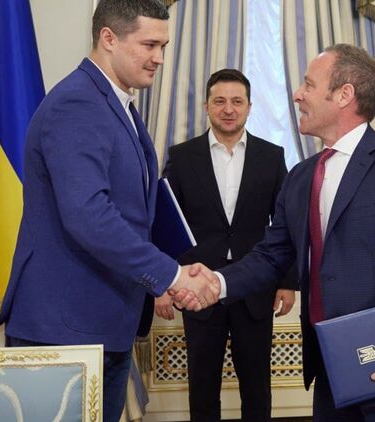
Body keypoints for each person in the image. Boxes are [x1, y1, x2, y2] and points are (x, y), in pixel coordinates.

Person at [183, 44, 375, 421]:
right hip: (330, 372)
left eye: (308, 85)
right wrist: (216, 283)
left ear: (344, 95)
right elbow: (271, 256)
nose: (297, 94)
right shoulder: (302, 176)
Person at [0, 1, 217, 421]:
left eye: (164, 46)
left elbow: (132, 210)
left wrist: (166, 271)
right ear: (108, 38)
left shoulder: (116, 104)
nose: (159, 58)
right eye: (149, 45)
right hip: (63, 329)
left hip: (101, 323)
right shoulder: (77, 103)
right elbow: (88, 214)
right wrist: (170, 274)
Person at [156, 69, 297, 422]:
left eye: (237, 101)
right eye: (219, 101)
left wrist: (287, 281)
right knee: (203, 387)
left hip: (255, 287)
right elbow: (167, 224)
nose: (228, 109)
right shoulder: (182, 156)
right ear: (206, 106)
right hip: (197, 287)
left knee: (257, 385)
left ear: (249, 106)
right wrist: (161, 284)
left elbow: (285, 225)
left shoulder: (271, 155)